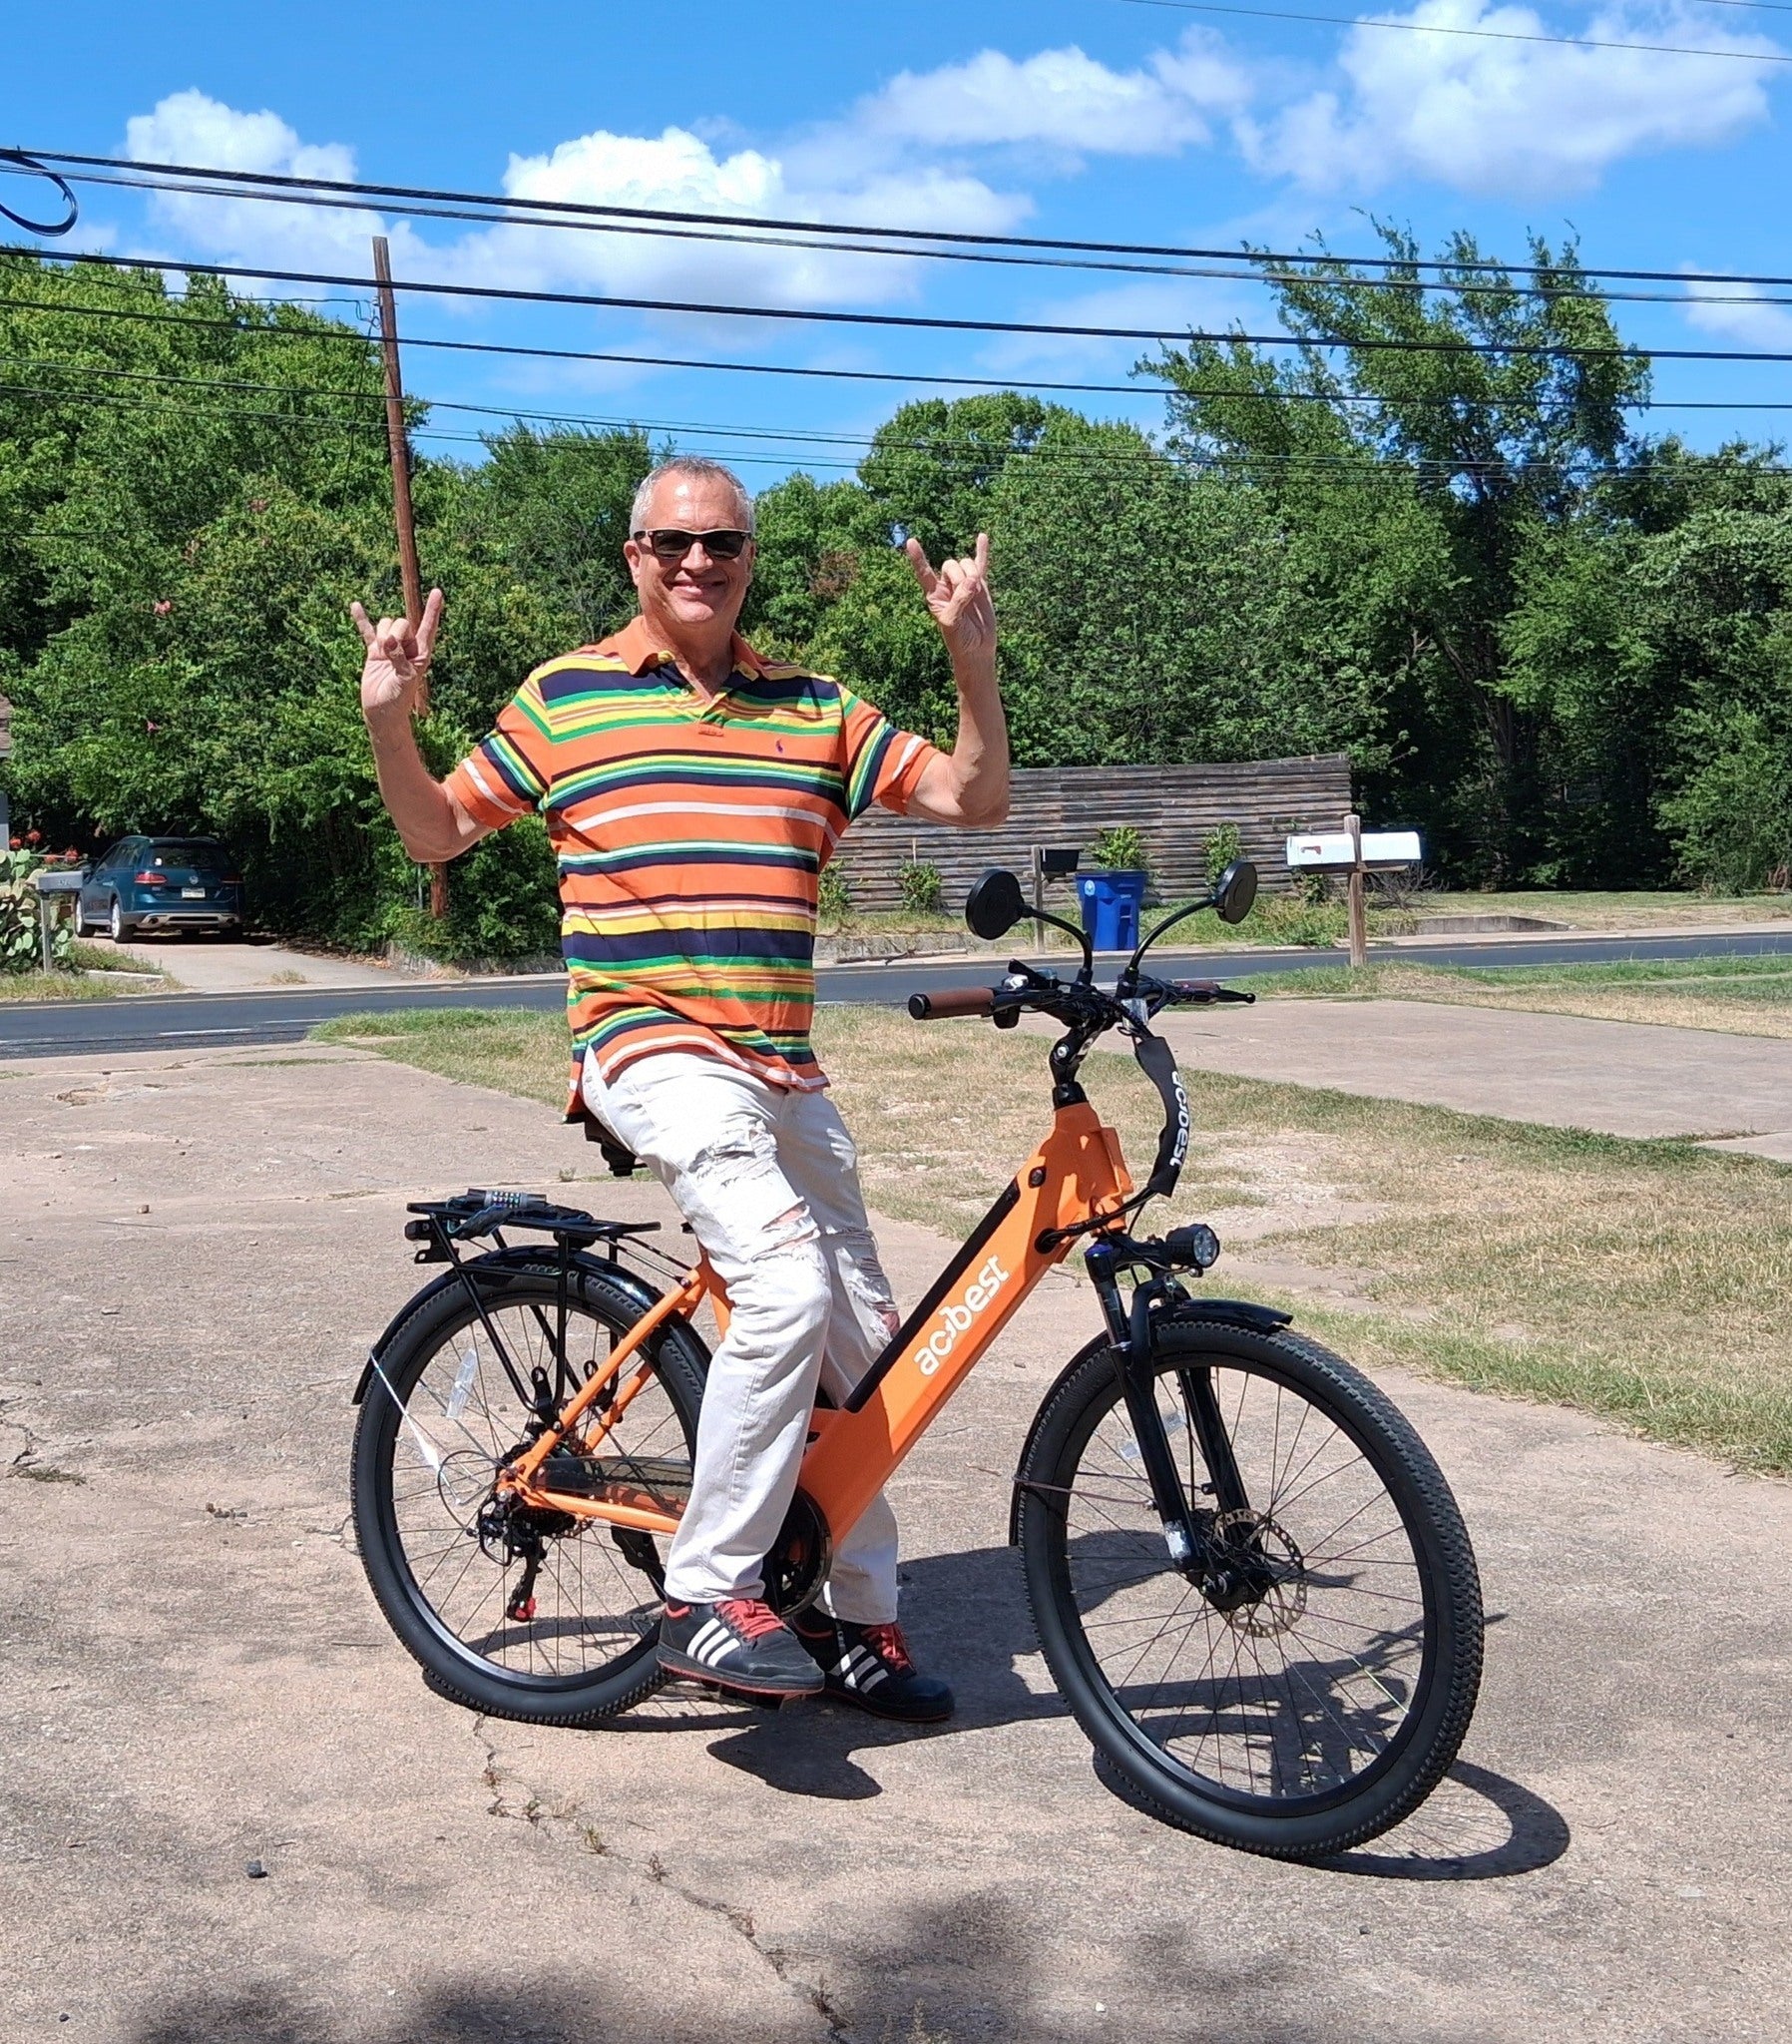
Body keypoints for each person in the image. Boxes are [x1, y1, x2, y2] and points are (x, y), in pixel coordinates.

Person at [352, 456, 1008, 1721]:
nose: (697, 563)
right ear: (632, 556)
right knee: (783, 1277)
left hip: (783, 1068)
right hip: (645, 1042)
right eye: (671, 543)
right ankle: (706, 1588)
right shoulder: (565, 701)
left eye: (722, 544)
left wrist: (970, 658)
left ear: (750, 557)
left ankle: (859, 1620)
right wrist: (391, 712)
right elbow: (436, 828)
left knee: (868, 1357)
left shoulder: (815, 708)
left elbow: (975, 799)